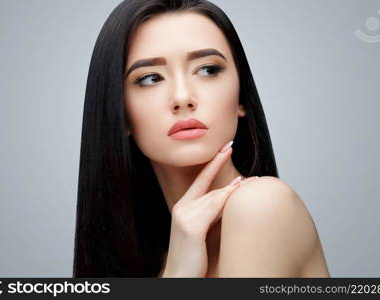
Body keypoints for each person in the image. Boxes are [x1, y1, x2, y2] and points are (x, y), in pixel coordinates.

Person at [73, 0, 330, 278]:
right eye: (150, 78)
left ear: (242, 96)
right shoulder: (158, 259)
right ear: (120, 114)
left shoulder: (262, 205)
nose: (182, 98)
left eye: (208, 69)